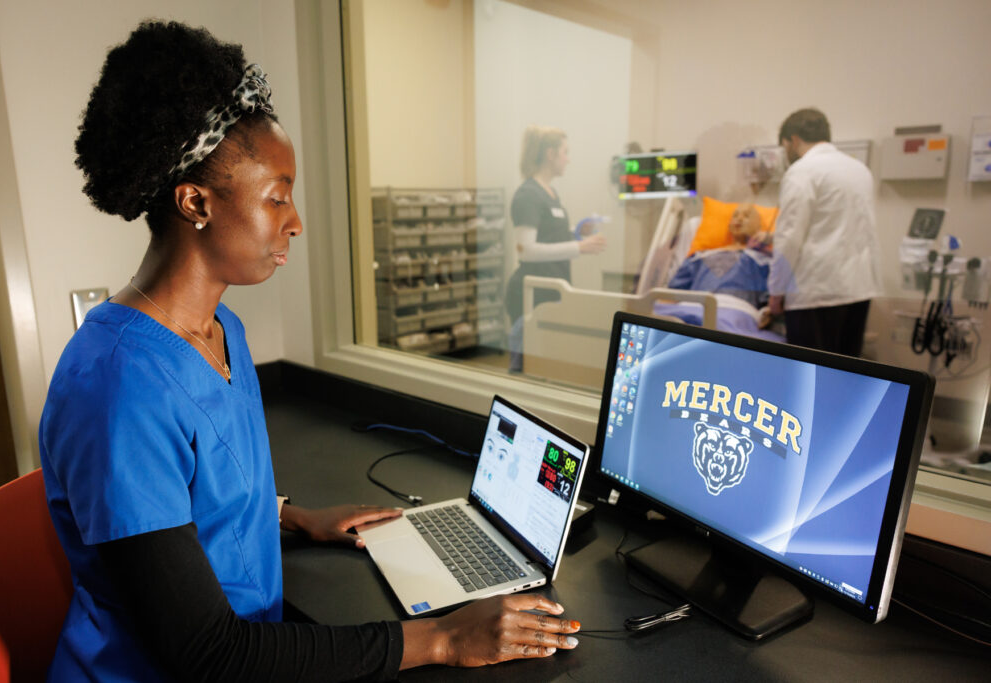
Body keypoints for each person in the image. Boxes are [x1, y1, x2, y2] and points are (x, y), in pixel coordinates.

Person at [40, 21, 580, 682]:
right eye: (277, 197)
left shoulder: (221, 331)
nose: (295, 220)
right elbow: (209, 653)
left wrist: (289, 519)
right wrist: (438, 636)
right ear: (195, 202)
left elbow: (187, 498)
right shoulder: (118, 386)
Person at [767, 108, 881, 356]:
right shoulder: (859, 170)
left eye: (785, 146)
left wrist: (775, 292)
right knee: (846, 371)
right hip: (858, 288)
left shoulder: (802, 171)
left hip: (816, 292)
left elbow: (789, 238)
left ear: (793, 140)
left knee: (811, 375)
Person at [504, 126, 606, 371]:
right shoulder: (527, 195)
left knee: (544, 368)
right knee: (524, 370)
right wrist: (578, 246)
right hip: (530, 295)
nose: (568, 159)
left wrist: (575, 231)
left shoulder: (551, 194)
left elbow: (547, 235)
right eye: (565, 152)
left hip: (551, 293)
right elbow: (526, 250)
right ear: (550, 154)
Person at [668, 202, 773, 309]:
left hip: (734, 310)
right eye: (735, 216)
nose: (739, 219)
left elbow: (771, 299)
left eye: (746, 216)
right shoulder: (700, 256)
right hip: (692, 307)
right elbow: (674, 291)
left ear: (759, 226)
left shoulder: (762, 260)